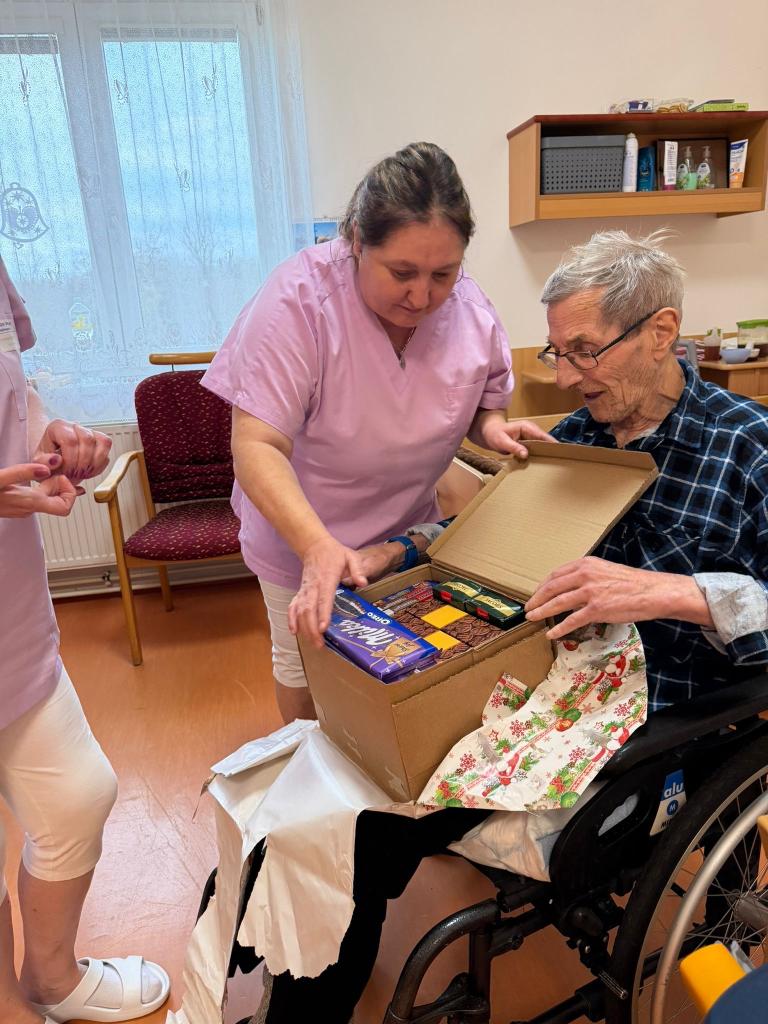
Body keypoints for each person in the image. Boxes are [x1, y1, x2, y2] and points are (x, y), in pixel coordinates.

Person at [237, 231, 768, 1022]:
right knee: (321, 785)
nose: (566, 376)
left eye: (585, 351)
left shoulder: (748, 448)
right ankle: (274, 957)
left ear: (661, 332)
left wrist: (668, 593)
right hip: (534, 688)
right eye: (556, 353)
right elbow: (489, 533)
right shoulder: (578, 440)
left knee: (363, 832)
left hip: (657, 728)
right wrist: (393, 551)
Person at [201, 141, 552, 724]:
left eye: (444, 274)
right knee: (307, 668)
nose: (422, 296)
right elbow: (258, 444)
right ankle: (315, 772)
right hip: (301, 533)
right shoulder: (299, 302)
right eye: (402, 273)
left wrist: (492, 428)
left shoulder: (470, 309)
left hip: (402, 533)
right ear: (357, 242)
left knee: (401, 672)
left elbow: (479, 402)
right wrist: (316, 548)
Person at [0, 257, 169, 1023]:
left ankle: (50, 979)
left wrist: (46, 436)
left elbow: (14, 387)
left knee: (77, 797)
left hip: (12, 619)